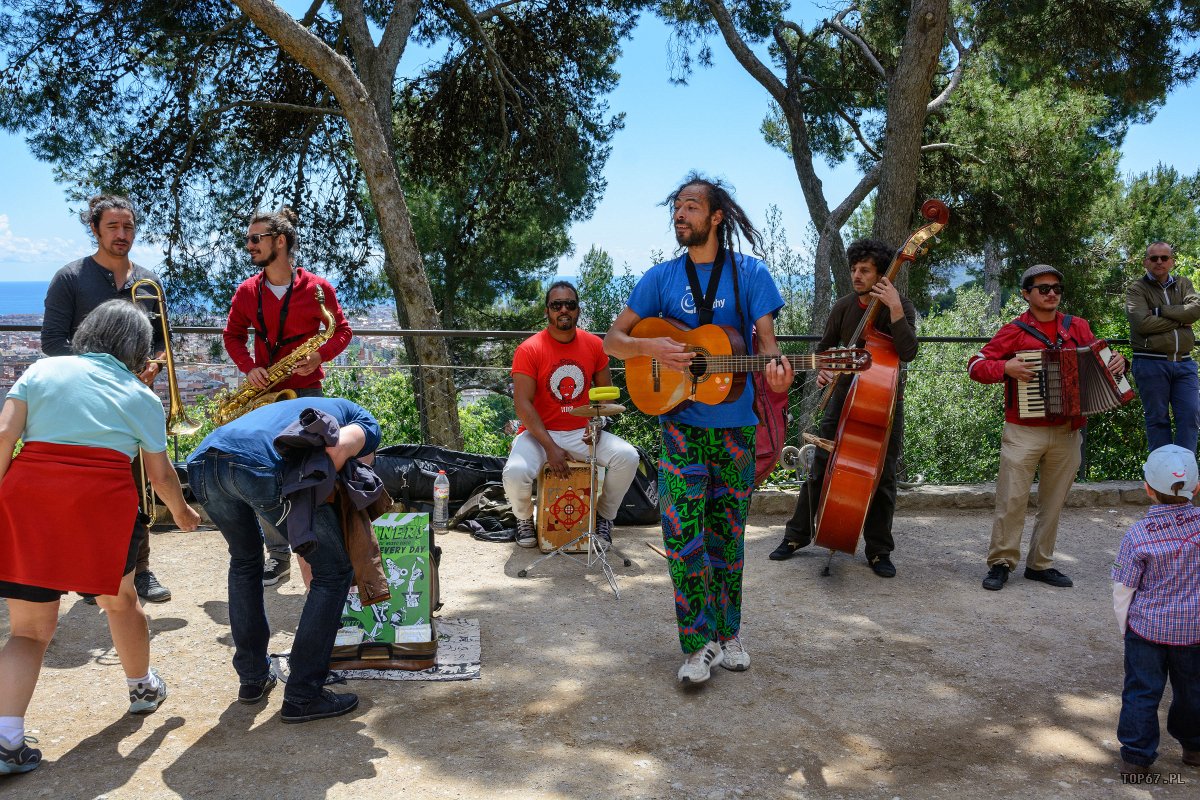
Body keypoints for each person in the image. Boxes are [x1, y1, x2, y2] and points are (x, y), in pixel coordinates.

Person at [604, 173, 794, 685]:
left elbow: (769, 346)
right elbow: (613, 341)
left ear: (716, 217)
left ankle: (729, 633)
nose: (679, 214)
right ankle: (698, 644)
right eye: (676, 207)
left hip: (735, 431)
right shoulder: (660, 279)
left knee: (726, 539)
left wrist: (778, 368)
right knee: (682, 535)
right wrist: (653, 349)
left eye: (690, 206)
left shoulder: (750, 275)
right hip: (680, 428)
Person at [0, 301, 200, 775]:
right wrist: (183, 512)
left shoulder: (44, 369)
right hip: (101, 508)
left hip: (29, 499)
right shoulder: (141, 396)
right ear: (137, 349)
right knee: (120, 601)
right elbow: (160, 475)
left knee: (28, 630)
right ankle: (142, 687)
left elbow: (5, 435)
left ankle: (6, 740)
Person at [186, 396, 379, 723]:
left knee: (245, 561)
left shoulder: (305, 404)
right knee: (334, 572)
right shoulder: (366, 421)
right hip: (260, 465)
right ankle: (304, 694)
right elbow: (336, 453)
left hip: (205, 462)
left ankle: (252, 678)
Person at [40, 194, 174, 604]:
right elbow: (52, 341)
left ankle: (140, 569)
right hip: (83, 402)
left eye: (128, 226)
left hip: (131, 399)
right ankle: (89, 570)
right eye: (113, 226)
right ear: (95, 229)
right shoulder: (70, 277)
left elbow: (160, 338)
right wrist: (98, 374)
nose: (122, 234)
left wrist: (153, 365)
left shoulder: (148, 279)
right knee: (86, 489)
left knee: (134, 487)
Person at [968, 264, 1125, 591]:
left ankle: (1040, 564)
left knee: (1053, 503)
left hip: (1069, 430)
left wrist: (1119, 361)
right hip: (1023, 429)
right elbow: (976, 365)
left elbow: (1103, 359)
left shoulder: (1078, 328)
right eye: (1043, 288)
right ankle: (1001, 562)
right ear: (1026, 294)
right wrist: (1006, 367)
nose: (1051, 293)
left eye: (1056, 288)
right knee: (1012, 499)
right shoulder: (1013, 331)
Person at [770, 238, 918, 577]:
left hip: (883, 403)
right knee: (820, 465)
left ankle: (879, 551)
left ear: (882, 275)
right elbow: (824, 351)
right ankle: (796, 536)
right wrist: (824, 371)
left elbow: (908, 351)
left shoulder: (901, 306)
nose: (856, 275)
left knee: (883, 476)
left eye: (864, 270)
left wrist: (894, 307)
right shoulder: (843, 307)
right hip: (842, 399)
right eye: (854, 269)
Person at [223, 207, 353, 587]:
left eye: (255, 238)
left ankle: (322, 549)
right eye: (248, 239)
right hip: (266, 393)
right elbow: (232, 335)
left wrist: (318, 355)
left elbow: (341, 331)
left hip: (308, 389)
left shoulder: (317, 289)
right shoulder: (247, 292)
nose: (248, 245)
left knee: (314, 471)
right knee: (266, 471)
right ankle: (277, 555)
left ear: (279, 241)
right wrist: (249, 368)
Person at [503, 281, 639, 549]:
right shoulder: (529, 349)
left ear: (577, 310)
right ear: (547, 311)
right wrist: (550, 447)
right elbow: (523, 405)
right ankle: (523, 519)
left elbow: (606, 397)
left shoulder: (594, 345)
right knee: (515, 472)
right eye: (557, 305)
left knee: (628, 457)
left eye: (570, 304)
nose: (563, 310)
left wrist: (598, 424)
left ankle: (604, 517)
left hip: (582, 433)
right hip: (539, 434)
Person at [1111, 444, 1200, 778]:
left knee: (1141, 691)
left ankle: (1135, 757)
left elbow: (1124, 588)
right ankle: (1194, 747)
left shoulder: (1138, 535)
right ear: (1197, 486)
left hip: (1146, 631)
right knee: (1194, 691)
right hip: (1195, 631)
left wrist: (1127, 627)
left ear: (1148, 489)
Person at [1125, 242, 1200, 453]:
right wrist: (1180, 319)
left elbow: (1195, 311)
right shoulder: (1136, 288)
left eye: (1164, 258)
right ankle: (1164, 476)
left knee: (1191, 416)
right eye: (1154, 258)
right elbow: (1141, 324)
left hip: (1184, 363)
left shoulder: (1184, 283)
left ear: (1172, 261)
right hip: (1150, 361)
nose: (1159, 262)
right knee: (1157, 420)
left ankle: (1184, 471)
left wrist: (1159, 311)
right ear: (1146, 262)